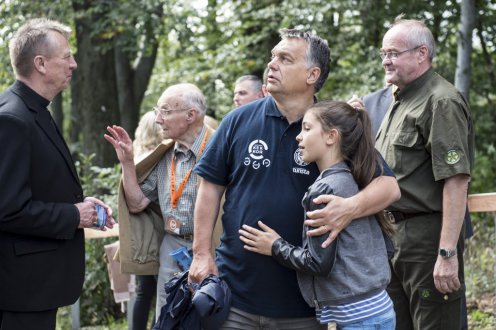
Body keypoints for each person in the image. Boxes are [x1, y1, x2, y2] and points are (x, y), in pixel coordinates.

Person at [189, 28, 400, 329]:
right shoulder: (237, 120)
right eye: (273, 56)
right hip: (236, 295)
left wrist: (349, 208)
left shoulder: (333, 125)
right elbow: (209, 188)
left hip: (304, 304)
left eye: (285, 59)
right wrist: (200, 254)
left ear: (312, 74)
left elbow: (388, 187)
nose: (271, 64)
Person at [239, 100, 396, 329]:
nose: (298, 137)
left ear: (331, 137)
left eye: (307, 128)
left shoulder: (323, 191)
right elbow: (387, 247)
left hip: (351, 319)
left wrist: (274, 245)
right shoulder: (360, 177)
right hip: (381, 308)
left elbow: (317, 263)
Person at [0, 18, 114, 330]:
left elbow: (31, 186)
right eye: (66, 56)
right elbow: (8, 210)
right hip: (21, 293)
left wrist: (80, 205)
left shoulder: (32, 111)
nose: (74, 64)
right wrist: (73, 215)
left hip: (33, 290)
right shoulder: (13, 118)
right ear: (40, 63)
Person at [374, 18, 474, 329]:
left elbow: (456, 181)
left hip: (426, 240)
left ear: (421, 53)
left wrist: (446, 253)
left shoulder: (440, 100)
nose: (386, 60)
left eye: (394, 52)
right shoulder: (398, 100)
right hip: (392, 238)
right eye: (384, 53)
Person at [104, 83, 215, 319]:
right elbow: (137, 203)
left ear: (190, 115)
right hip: (173, 247)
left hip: (212, 248)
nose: (157, 119)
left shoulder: (220, 149)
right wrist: (127, 163)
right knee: (167, 317)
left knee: (211, 316)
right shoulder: (165, 155)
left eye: (165, 111)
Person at [130, 110, 164, 330]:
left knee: (144, 290)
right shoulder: (156, 157)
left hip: (139, 232)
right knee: (160, 288)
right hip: (156, 231)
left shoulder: (134, 154)